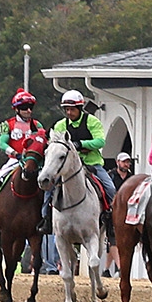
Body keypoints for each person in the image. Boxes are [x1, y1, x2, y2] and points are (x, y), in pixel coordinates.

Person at [46, 90, 117, 224]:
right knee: (48, 188)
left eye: (72, 109)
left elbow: (100, 141)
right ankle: (46, 218)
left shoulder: (92, 121)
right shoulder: (60, 125)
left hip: (92, 164)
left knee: (110, 188)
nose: (69, 113)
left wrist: (80, 144)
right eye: (66, 109)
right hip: (67, 167)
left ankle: (112, 217)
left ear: (79, 108)